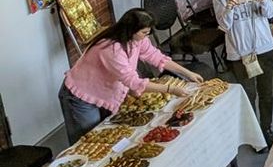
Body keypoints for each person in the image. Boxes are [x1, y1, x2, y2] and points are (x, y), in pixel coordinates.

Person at [58, 8, 201, 144]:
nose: (147, 35)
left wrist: (187, 73)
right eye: (144, 32)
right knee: (89, 139)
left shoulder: (137, 39)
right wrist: (170, 89)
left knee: (103, 135)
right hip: (80, 96)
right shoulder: (112, 49)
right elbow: (133, 82)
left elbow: (156, 56)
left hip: (102, 91)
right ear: (131, 30)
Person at [213, 0, 273, 147]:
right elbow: (223, 25)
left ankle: (266, 128)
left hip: (264, 46)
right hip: (240, 52)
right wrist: (230, 7)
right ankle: (254, 136)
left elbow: (270, 14)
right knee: (249, 94)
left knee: (266, 92)